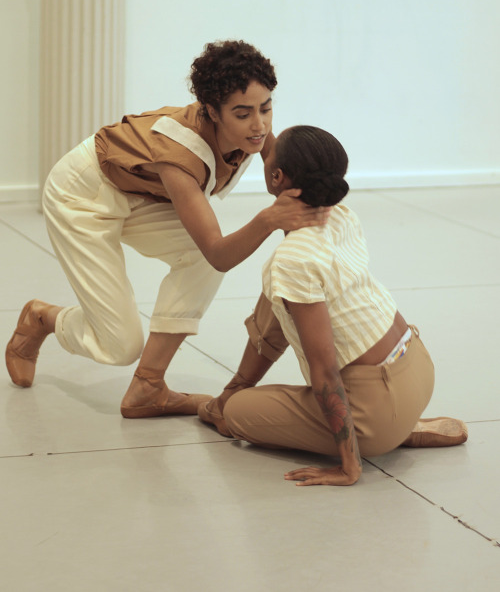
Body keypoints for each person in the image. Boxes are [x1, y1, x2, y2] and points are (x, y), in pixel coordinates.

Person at [5, 41, 329, 418]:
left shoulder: (255, 133)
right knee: (119, 346)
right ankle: (43, 317)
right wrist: (269, 219)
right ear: (212, 111)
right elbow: (218, 253)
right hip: (84, 194)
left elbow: (279, 172)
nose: (259, 125)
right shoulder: (181, 156)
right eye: (243, 114)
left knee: (199, 264)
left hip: (143, 194)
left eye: (266, 108)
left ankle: (148, 386)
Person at [198, 125, 468, 486]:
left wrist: (349, 466)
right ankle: (403, 424)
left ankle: (388, 434)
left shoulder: (294, 259)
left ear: (276, 176)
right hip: (417, 369)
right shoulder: (339, 214)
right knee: (278, 294)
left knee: (237, 414)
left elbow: (325, 370)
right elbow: (284, 305)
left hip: (374, 410)